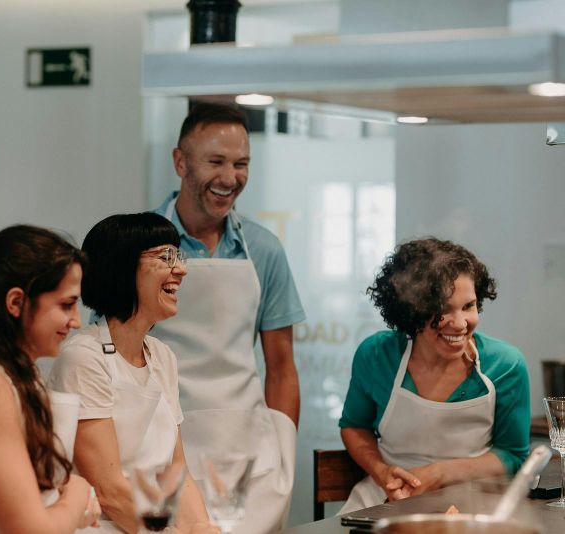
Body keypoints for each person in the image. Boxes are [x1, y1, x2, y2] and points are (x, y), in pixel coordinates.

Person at [150, 102, 305, 533]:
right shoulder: (138, 246)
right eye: (215, 161)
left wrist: (283, 455)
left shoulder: (264, 249)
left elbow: (282, 366)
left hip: (250, 462)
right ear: (180, 162)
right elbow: (113, 356)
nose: (230, 178)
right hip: (163, 453)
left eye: (241, 164)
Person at [48, 213, 214, 534]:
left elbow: (176, 471)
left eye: (178, 256)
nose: (181, 269)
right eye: (166, 257)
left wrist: (201, 528)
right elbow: (110, 493)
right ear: (122, 268)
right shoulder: (84, 357)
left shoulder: (162, 356)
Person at [338, 237, 531, 514]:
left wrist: (438, 473)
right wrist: (383, 473)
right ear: (410, 311)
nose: (460, 324)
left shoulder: (506, 365)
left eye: (468, 306)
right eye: (442, 310)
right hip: (386, 498)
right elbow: (354, 427)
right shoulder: (376, 355)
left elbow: (512, 455)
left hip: (472, 504)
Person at [0, 225, 101, 533]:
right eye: (66, 305)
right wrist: (78, 493)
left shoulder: (17, 374)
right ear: (16, 302)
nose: (76, 321)